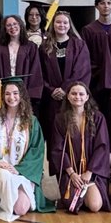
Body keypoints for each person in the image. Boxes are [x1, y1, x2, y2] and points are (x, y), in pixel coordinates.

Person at [0, 78, 49, 221]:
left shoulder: (31, 121)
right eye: (7, 94)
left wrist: (19, 170)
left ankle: (2, 201)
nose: (11, 98)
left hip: (22, 171)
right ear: (2, 95)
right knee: (5, 177)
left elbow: (36, 151)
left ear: (22, 95)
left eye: (16, 93)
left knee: (21, 208)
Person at [50, 81, 111, 214]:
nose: (77, 97)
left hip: (92, 173)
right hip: (70, 172)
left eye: (81, 94)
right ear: (68, 96)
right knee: (70, 203)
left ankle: (87, 195)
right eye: (73, 93)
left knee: (95, 206)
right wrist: (72, 173)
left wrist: (89, 172)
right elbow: (57, 149)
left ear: (87, 97)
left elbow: (102, 147)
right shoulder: (60, 119)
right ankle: (79, 196)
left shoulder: (97, 118)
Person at [38, 9, 91, 140]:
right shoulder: (45, 47)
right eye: (58, 22)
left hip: (73, 97)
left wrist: (65, 89)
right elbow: (39, 73)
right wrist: (50, 90)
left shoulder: (79, 45)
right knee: (54, 136)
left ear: (69, 25)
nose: (62, 25)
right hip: (52, 100)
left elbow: (81, 70)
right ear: (53, 24)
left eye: (65, 23)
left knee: (74, 135)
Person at [79, 0, 111, 120]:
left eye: (109, 3)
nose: (106, 6)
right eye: (102, 3)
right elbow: (84, 56)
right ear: (97, 6)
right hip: (95, 79)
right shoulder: (88, 30)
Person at [0, 15, 43, 103]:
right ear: (5, 29)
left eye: (15, 24)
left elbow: (35, 71)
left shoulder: (31, 46)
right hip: (4, 91)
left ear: (20, 25)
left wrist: (31, 95)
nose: (12, 27)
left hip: (24, 91)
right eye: (9, 25)